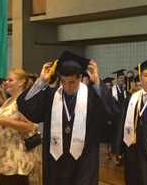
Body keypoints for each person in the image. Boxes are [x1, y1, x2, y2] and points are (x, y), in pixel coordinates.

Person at [17, 51, 115, 185]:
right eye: (63, 82)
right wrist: (41, 82)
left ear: (80, 78)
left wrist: (97, 82)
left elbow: (111, 112)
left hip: (84, 162)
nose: (67, 87)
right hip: (55, 162)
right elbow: (27, 108)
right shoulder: (51, 97)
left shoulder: (92, 97)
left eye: (72, 82)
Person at [0, 68, 40, 185]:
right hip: (5, 157)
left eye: (10, 80)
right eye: (6, 80)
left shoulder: (24, 100)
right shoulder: (9, 101)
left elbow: (30, 126)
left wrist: (2, 120)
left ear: (21, 82)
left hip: (17, 159)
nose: (6, 82)